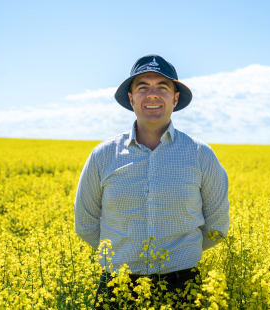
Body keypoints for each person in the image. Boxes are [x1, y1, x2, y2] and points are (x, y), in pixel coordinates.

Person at [74, 54, 230, 308]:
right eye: (143, 87)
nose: (152, 95)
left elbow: (217, 226)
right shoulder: (103, 156)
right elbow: (85, 223)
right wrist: (121, 255)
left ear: (175, 98)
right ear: (131, 98)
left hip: (182, 286)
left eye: (162, 87)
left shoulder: (201, 155)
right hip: (118, 286)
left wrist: (179, 257)